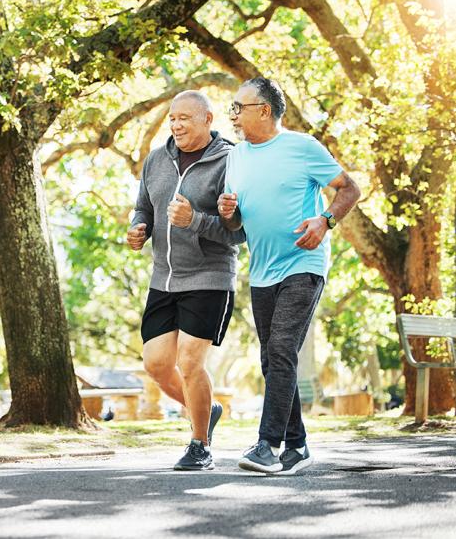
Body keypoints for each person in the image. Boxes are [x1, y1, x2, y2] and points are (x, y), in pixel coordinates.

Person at [218, 77, 360, 475]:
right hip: (262, 270)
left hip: (304, 264)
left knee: (281, 349)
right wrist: (229, 213)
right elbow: (236, 226)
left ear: (264, 110)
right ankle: (297, 445)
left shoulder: (302, 148)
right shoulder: (237, 157)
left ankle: (268, 445)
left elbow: (351, 189)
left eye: (239, 107)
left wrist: (326, 220)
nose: (234, 115)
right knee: (271, 358)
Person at [127, 90, 246, 471]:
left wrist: (193, 220)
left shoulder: (230, 161)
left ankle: (200, 445)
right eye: (172, 118)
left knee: (191, 362)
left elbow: (238, 233)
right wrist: (138, 229)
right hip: (164, 277)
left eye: (185, 118)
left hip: (210, 276)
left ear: (208, 119)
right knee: (157, 364)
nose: (176, 125)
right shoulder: (156, 160)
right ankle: (205, 409)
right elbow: (143, 206)